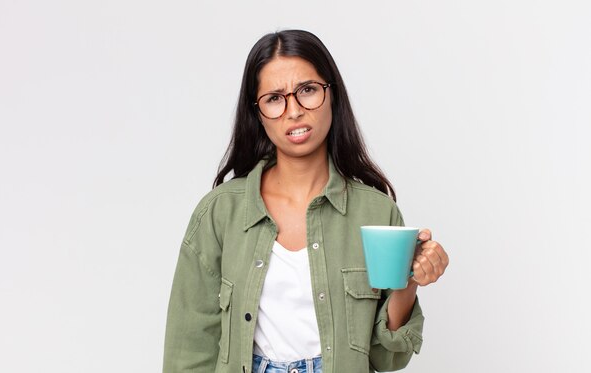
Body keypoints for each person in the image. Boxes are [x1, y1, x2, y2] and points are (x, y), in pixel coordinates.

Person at [163, 29, 449, 373]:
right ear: (257, 112)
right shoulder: (220, 212)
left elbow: (387, 358)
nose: (294, 111)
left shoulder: (376, 212)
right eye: (274, 98)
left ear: (332, 95)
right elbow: (188, 350)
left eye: (307, 91)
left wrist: (411, 280)